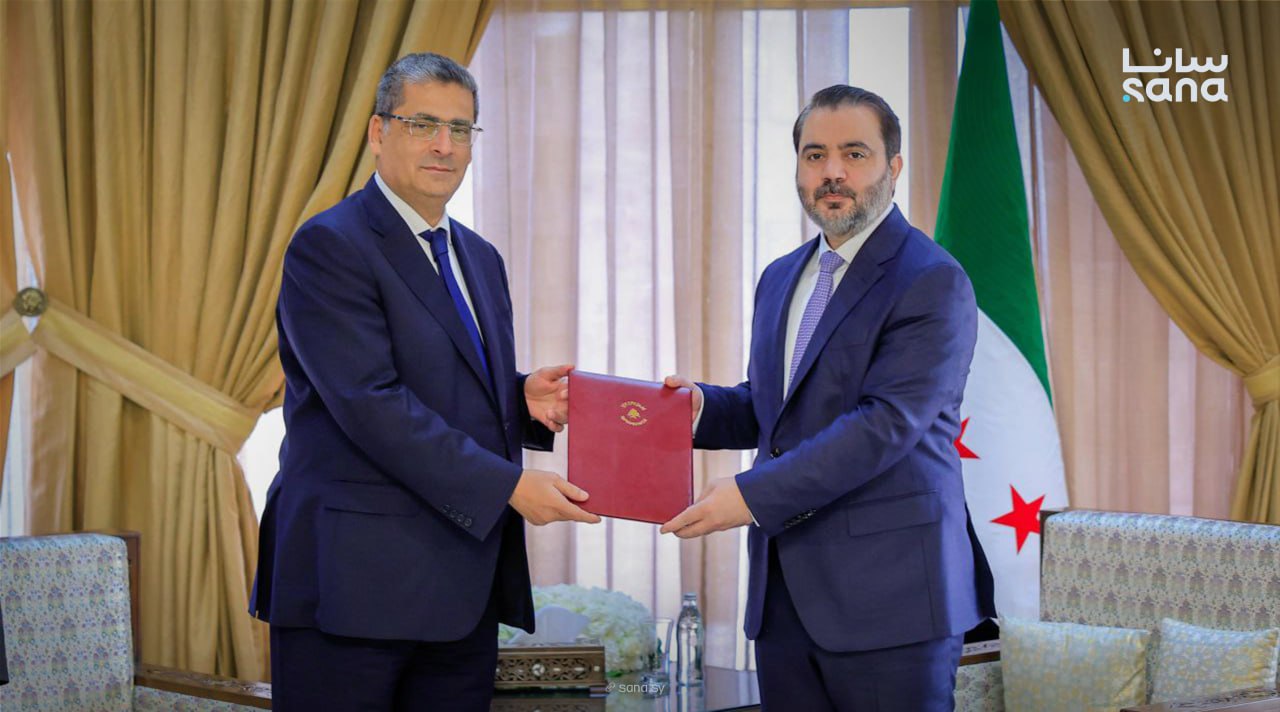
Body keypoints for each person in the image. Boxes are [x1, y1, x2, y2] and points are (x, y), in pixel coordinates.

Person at [250, 52, 600, 711]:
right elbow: (371, 404)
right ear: (378, 132)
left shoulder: (480, 258)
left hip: (462, 586)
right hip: (353, 585)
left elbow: (437, 383)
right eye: (423, 124)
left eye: (461, 128)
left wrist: (518, 398)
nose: (445, 145)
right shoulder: (329, 246)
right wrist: (509, 485)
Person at [661, 85, 995, 710]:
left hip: (893, 602)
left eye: (854, 154)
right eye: (815, 155)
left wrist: (750, 495)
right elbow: (775, 408)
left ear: (894, 167)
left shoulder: (933, 279)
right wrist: (697, 408)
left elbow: (885, 425)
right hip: (784, 601)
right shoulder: (781, 276)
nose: (832, 171)